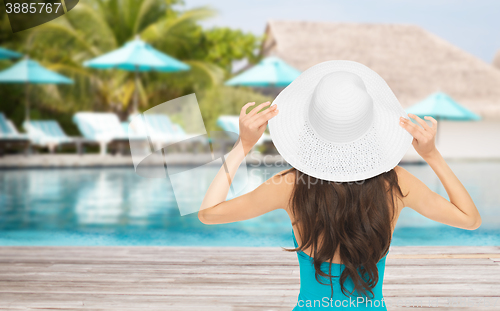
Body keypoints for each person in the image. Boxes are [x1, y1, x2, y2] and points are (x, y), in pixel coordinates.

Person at [198, 60, 481, 310]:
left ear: (310, 127)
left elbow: (208, 213)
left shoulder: (290, 185)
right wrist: (432, 155)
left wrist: (242, 146)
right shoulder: (396, 184)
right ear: (370, 128)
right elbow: (470, 219)